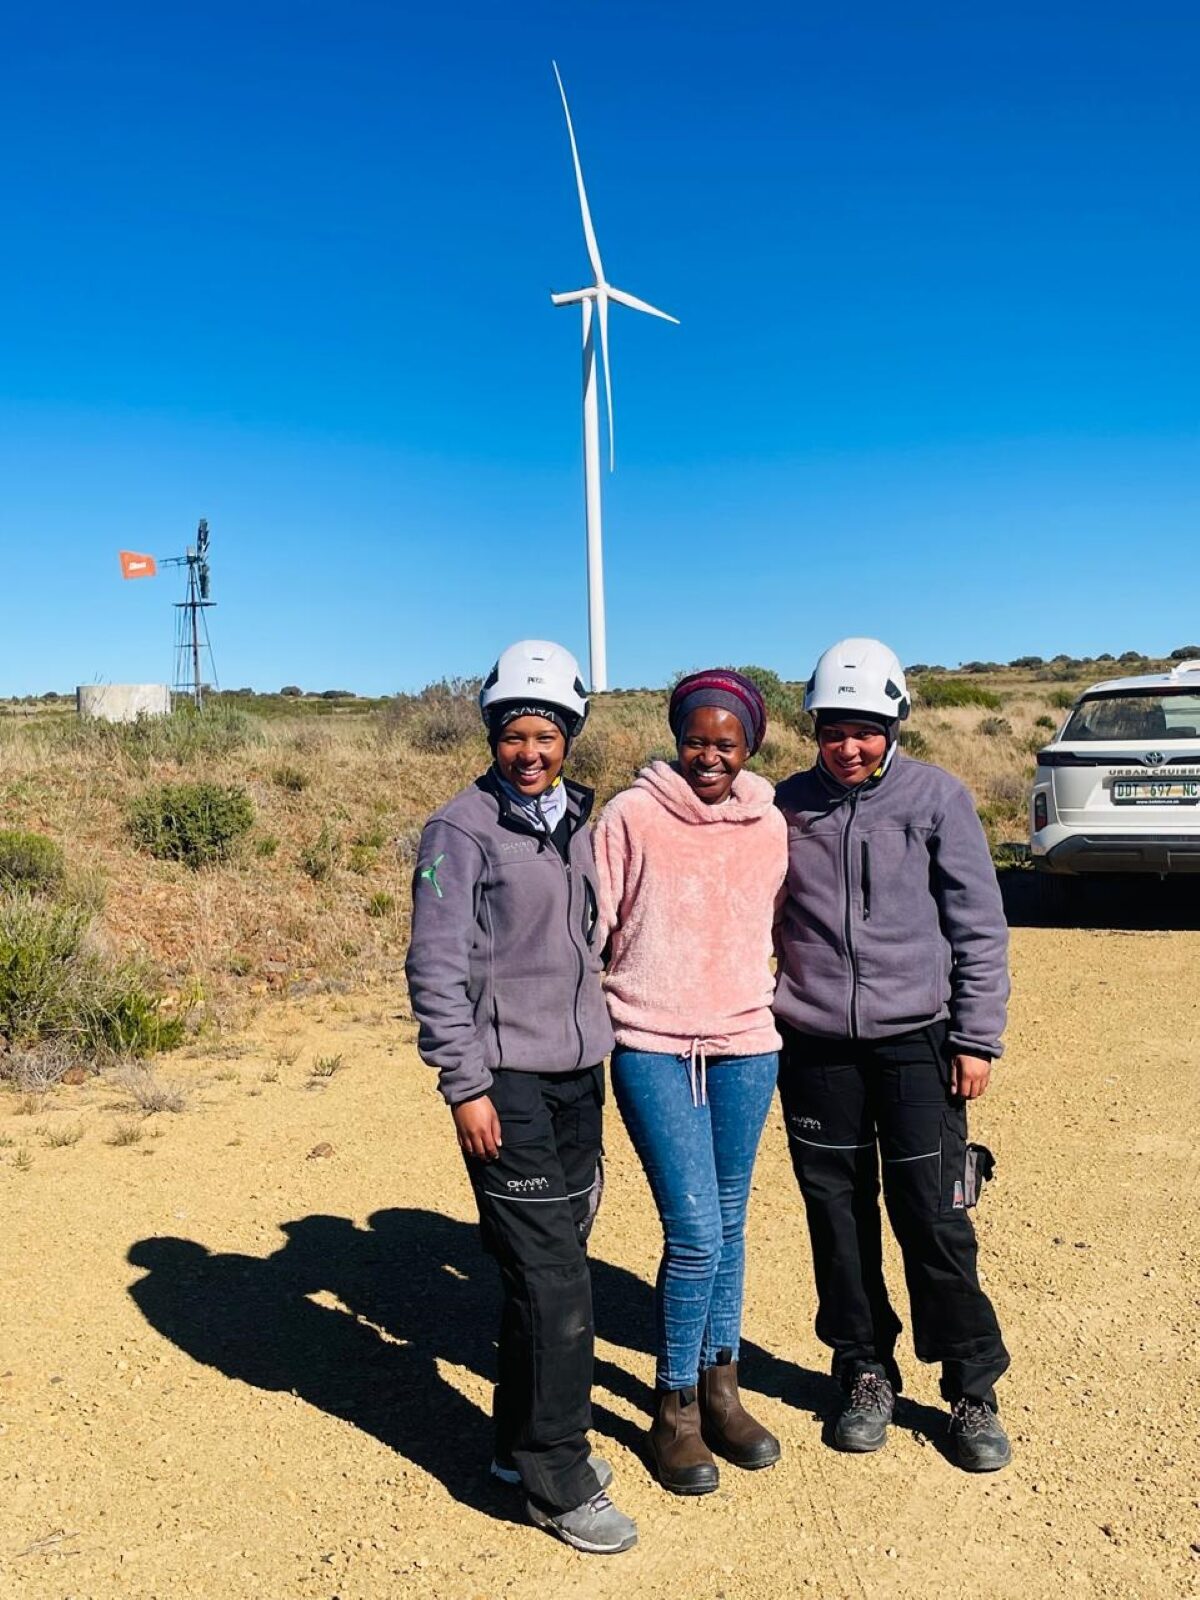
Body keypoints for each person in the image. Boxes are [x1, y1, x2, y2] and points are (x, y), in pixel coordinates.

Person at [405, 639, 637, 1555]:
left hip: (581, 1073)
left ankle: (512, 1445)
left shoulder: (578, 822)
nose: (531, 752)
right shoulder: (459, 832)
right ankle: (556, 1473)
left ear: (569, 737)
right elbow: (435, 964)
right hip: (505, 1079)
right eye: (514, 737)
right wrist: (464, 1084)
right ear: (493, 737)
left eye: (546, 734)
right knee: (553, 1280)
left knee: (546, 1266)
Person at [773, 638, 1013, 1472]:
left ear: (895, 723)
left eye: (867, 729)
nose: (849, 746)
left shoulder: (938, 798)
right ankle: (865, 1370)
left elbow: (979, 925)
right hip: (814, 1048)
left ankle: (970, 1387)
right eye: (834, 729)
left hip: (918, 1042)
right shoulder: (784, 806)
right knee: (836, 1219)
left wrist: (976, 1034)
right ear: (814, 728)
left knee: (935, 1214)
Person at [593, 669, 787, 1494]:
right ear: (677, 737)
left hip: (746, 1043)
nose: (710, 755)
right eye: (696, 739)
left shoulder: (769, 823)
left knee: (733, 1224)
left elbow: (772, 921)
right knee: (697, 1231)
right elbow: (594, 925)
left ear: (750, 746)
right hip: (651, 1043)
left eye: (727, 742)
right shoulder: (630, 816)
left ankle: (721, 1386)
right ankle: (671, 1406)